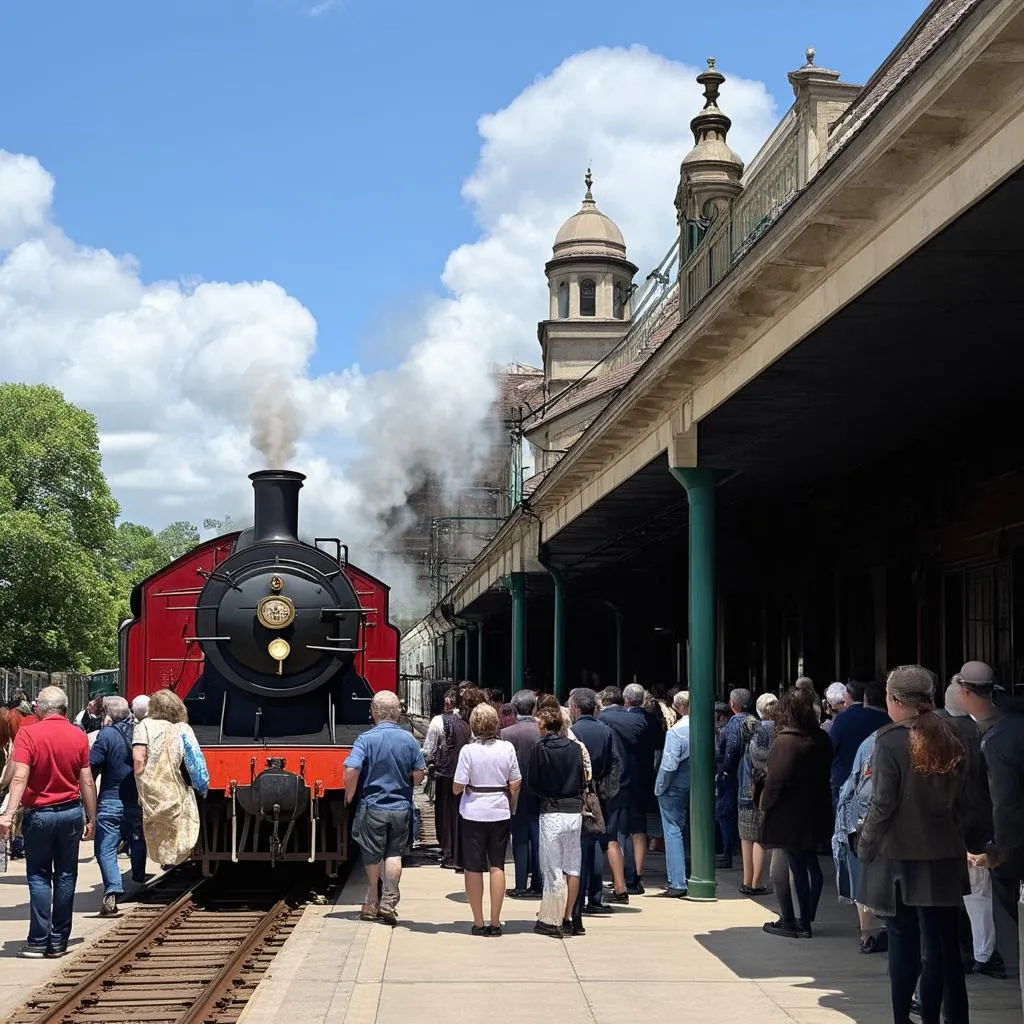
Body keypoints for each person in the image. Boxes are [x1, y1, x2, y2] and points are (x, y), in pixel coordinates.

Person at [858, 665, 969, 1024]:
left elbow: (883, 804)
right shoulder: (958, 734)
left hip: (900, 859)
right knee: (941, 946)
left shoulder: (889, 740)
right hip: (945, 853)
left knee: (904, 944)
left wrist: (866, 844)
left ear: (894, 700)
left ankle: (902, 1018)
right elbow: (974, 801)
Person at [0, 686, 97, 959]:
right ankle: (58, 941)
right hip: (70, 813)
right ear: (64, 709)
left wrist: (7, 814)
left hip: (39, 814)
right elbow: (86, 780)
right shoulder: (78, 736)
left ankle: (38, 940)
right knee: (66, 875)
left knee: (39, 875)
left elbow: (19, 777)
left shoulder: (28, 734)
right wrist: (93, 816)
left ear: (41, 708)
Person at [952, 660, 1024, 985]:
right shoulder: (1011, 723)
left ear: (966, 691)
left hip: (1007, 840)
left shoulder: (997, 737)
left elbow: (1006, 802)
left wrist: (999, 851)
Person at [344, 691, 425, 925]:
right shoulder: (409, 739)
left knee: (372, 855)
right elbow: (419, 773)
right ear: (397, 713)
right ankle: (390, 900)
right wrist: (409, 785)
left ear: (373, 713)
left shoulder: (365, 739)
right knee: (394, 854)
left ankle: (373, 898)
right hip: (400, 807)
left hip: (373, 806)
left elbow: (351, 769)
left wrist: (349, 794)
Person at [760, 688, 833, 939]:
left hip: (789, 814)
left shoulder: (786, 741)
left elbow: (775, 781)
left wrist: (764, 804)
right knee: (808, 865)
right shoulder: (821, 738)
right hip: (816, 809)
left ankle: (795, 922)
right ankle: (805, 918)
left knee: (796, 867)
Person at [453, 703, 521, 935]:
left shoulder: (468, 751)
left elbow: (457, 787)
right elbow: (516, 781)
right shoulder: (507, 748)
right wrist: (511, 804)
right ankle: (495, 921)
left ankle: (478, 921)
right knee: (497, 865)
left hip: (473, 811)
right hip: (499, 810)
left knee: (473, 867)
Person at [529, 703, 588, 937]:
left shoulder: (540, 749)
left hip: (551, 810)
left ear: (544, 726)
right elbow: (582, 779)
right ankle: (568, 916)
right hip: (574, 811)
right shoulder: (575, 748)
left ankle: (552, 920)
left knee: (553, 867)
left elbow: (532, 781)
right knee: (573, 866)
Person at [568, 687, 627, 921]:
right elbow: (616, 763)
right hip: (599, 794)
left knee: (578, 846)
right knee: (596, 843)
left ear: (576, 708)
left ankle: (578, 897)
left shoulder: (572, 731)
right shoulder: (606, 732)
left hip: (578, 794)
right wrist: (607, 791)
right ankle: (595, 896)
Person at [133, 689, 208, 869]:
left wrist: (142, 782)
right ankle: (175, 857)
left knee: (155, 832)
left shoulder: (143, 726)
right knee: (179, 834)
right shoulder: (183, 728)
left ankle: (163, 859)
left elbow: (138, 759)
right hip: (174, 790)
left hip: (150, 792)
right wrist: (202, 788)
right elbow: (196, 764)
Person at [90, 696, 148, 916]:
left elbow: (92, 765)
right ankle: (139, 877)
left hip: (110, 799)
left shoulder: (106, 735)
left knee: (105, 847)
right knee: (137, 837)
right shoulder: (140, 733)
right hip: (135, 799)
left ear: (107, 713)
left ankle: (113, 889)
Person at [599, 683, 659, 892]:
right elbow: (658, 745)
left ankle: (621, 876)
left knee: (616, 829)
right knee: (639, 827)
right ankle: (637, 875)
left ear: (625, 700)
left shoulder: (607, 719)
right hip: (642, 778)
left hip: (618, 778)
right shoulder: (649, 720)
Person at [500, 689, 543, 899]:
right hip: (540, 792)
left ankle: (519, 884)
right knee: (538, 839)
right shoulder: (542, 731)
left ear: (514, 708)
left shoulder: (506, 734)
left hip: (515, 792)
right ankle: (538, 883)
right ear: (534, 708)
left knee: (519, 839)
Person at [738, 692, 777, 896]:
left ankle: (747, 880)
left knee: (746, 836)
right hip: (764, 790)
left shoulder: (754, 730)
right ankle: (756, 882)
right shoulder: (779, 731)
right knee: (760, 838)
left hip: (747, 787)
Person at [830, 679, 889, 807]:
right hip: (879, 782)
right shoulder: (888, 720)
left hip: (844, 780)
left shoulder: (843, 718)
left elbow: (830, 749)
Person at [715, 688, 757, 870]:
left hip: (734, 776)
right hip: (753, 775)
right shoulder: (756, 722)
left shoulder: (733, 724)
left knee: (725, 813)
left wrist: (724, 771)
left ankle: (727, 853)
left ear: (733, 704)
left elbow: (731, 750)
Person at [654, 691, 691, 897]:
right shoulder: (705, 727)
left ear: (677, 707)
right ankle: (691, 872)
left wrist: (660, 787)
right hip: (696, 784)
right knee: (689, 829)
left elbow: (668, 765)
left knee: (672, 830)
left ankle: (677, 881)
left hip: (675, 785)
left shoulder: (676, 731)